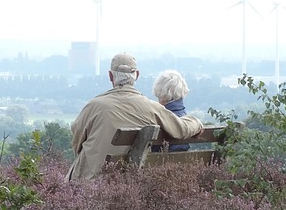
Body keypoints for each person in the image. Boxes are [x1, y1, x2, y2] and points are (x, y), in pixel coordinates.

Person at [67, 53, 204, 181]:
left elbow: (77, 139)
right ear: (137, 75)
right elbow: (181, 129)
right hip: (131, 183)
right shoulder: (151, 108)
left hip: (89, 182)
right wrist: (196, 122)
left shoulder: (94, 106)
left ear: (110, 76)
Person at [151, 69, 193, 152]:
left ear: (159, 90)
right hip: (185, 163)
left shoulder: (159, 119)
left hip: (158, 163)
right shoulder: (187, 120)